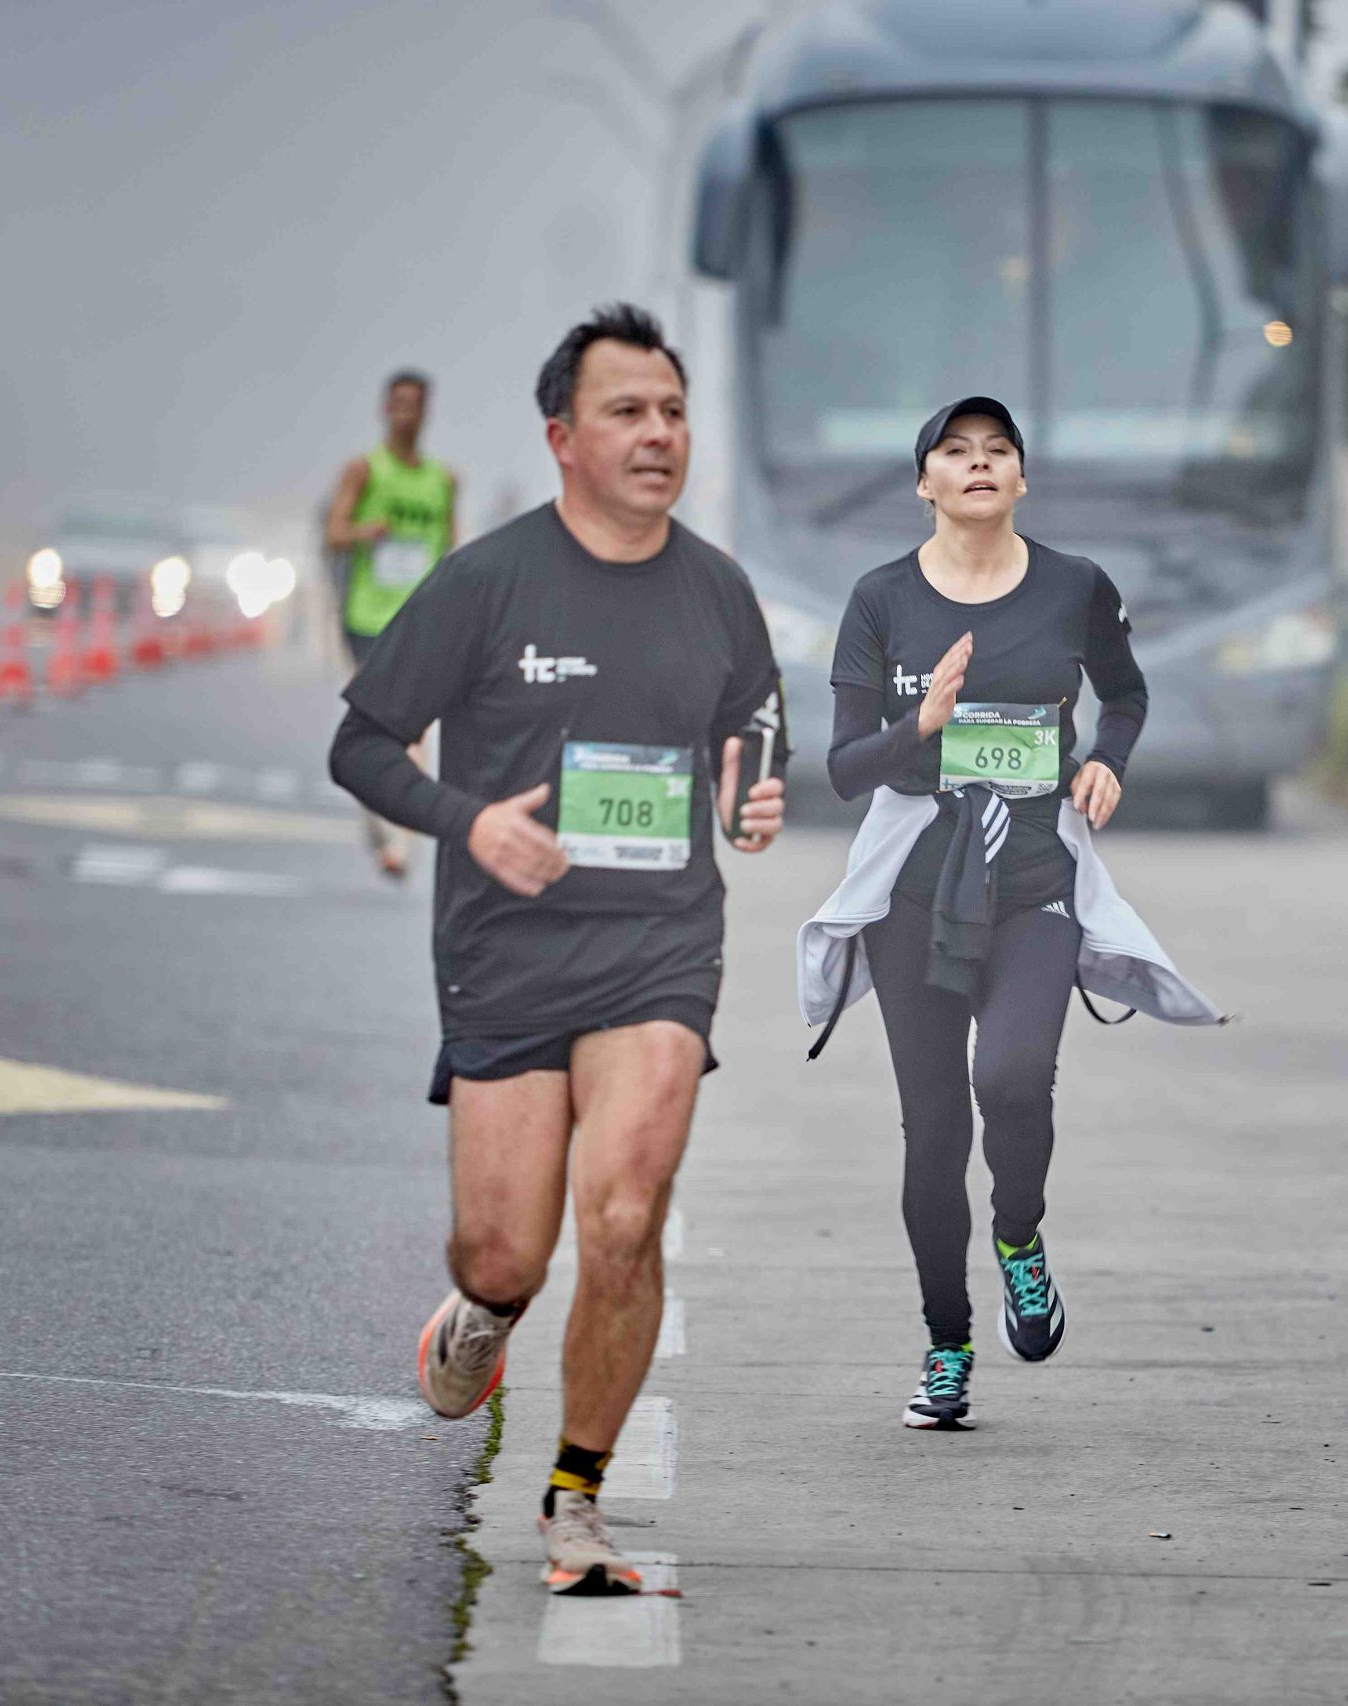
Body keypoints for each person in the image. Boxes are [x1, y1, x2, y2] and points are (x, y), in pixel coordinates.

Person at [328, 305, 787, 1595]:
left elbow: (756, 722)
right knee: (506, 1252)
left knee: (627, 1212)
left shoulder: (719, 592)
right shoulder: (488, 581)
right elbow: (359, 745)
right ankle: (482, 1312)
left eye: (673, 412)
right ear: (562, 438)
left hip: (660, 945)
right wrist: (466, 819)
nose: (658, 435)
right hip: (506, 947)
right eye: (627, 412)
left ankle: (575, 1502)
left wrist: (758, 793)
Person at [796, 398, 1225, 1431]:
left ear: (1021, 480)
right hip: (913, 896)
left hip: (1034, 883)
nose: (978, 463)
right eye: (956, 451)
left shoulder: (1077, 587)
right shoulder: (881, 598)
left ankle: (1020, 1238)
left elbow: (1124, 697)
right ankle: (947, 1345)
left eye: (998, 452)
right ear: (925, 483)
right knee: (933, 1132)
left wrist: (1105, 764)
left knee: (1013, 1075)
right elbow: (845, 769)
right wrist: (922, 723)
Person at [325, 370, 458, 879]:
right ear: (385, 409)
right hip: (367, 617)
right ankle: (381, 818)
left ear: (426, 412)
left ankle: (397, 839)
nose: (405, 414)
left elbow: (451, 550)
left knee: (417, 730)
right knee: (378, 726)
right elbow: (333, 533)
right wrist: (365, 531)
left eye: (414, 405)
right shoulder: (364, 470)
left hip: (419, 618)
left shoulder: (442, 480)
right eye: (396, 404)